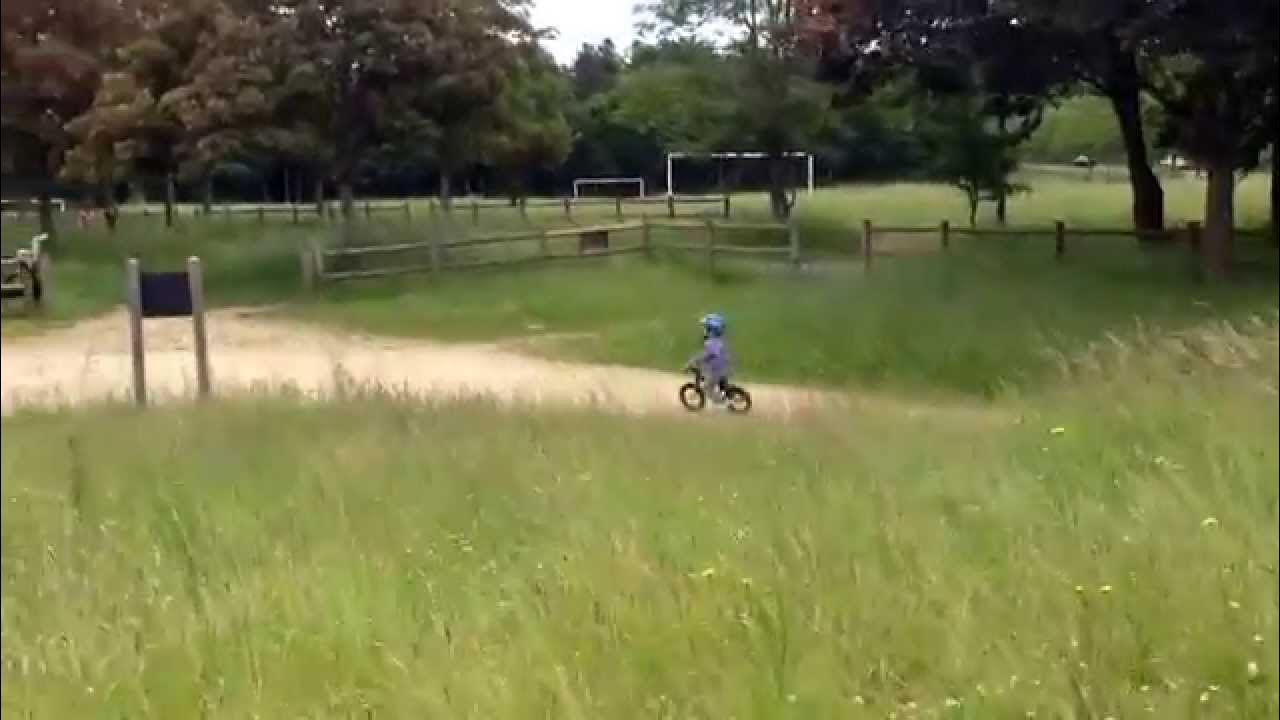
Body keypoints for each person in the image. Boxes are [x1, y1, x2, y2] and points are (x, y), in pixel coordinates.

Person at [688, 312, 731, 404]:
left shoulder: (710, 342)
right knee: (718, 380)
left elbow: (710, 354)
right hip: (724, 367)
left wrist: (697, 360)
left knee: (708, 388)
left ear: (711, 330)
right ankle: (726, 391)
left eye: (706, 328)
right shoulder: (719, 340)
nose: (704, 330)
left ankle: (722, 403)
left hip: (716, 370)